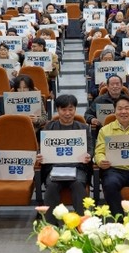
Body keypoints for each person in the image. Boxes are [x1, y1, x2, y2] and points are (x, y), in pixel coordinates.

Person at [36, 94, 93, 225]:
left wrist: (89, 155)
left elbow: (90, 149)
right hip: (54, 168)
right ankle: (51, 225)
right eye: (63, 109)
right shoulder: (49, 128)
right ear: (57, 110)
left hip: (77, 167)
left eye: (71, 109)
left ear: (75, 109)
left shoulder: (83, 128)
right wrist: (40, 156)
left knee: (78, 184)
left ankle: (82, 224)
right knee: (51, 186)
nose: (67, 113)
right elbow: (43, 150)